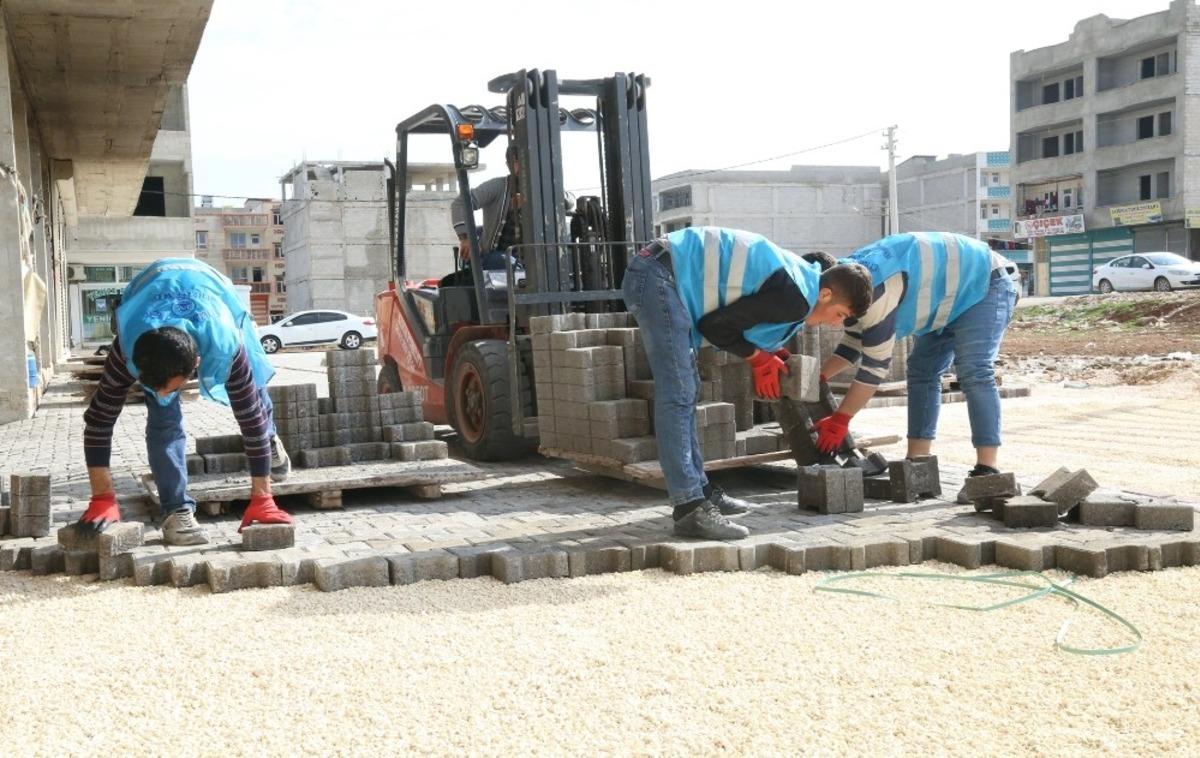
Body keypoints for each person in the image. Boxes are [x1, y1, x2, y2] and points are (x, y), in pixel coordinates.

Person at [622, 227, 874, 541]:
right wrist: (758, 358)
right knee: (677, 392)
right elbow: (714, 327)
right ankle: (689, 508)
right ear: (825, 294)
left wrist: (766, 353)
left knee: (686, 389)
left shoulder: (799, 283)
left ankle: (701, 492)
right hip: (658, 275)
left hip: (661, 272)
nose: (836, 323)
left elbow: (741, 320)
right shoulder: (796, 296)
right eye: (840, 314)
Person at [79, 258, 294, 545]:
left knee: (254, 394)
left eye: (173, 387)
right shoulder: (128, 349)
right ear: (139, 368)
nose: (166, 394)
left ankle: (270, 442)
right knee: (164, 421)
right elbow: (98, 419)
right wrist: (102, 497)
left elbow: (249, 419)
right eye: (154, 386)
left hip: (213, 290)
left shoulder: (226, 345)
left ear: (195, 364)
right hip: (149, 290)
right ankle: (176, 509)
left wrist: (262, 498)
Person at [811, 231, 1019, 489]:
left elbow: (873, 370)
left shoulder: (876, 292)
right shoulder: (851, 284)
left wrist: (841, 419)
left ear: (825, 294)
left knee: (975, 371)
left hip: (984, 283)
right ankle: (918, 463)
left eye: (835, 316)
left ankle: (987, 471)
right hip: (948, 299)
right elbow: (853, 346)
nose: (830, 323)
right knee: (922, 371)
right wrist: (816, 378)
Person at [449, 143, 524, 278]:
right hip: (497, 257)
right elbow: (460, 203)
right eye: (514, 162)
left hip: (534, 258)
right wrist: (465, 238)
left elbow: (567, 199)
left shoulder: (545, 187)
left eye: (522, 161)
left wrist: (528, 200)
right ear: (508, 165)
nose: (518, 167)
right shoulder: (498, 187)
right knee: (507, 263)